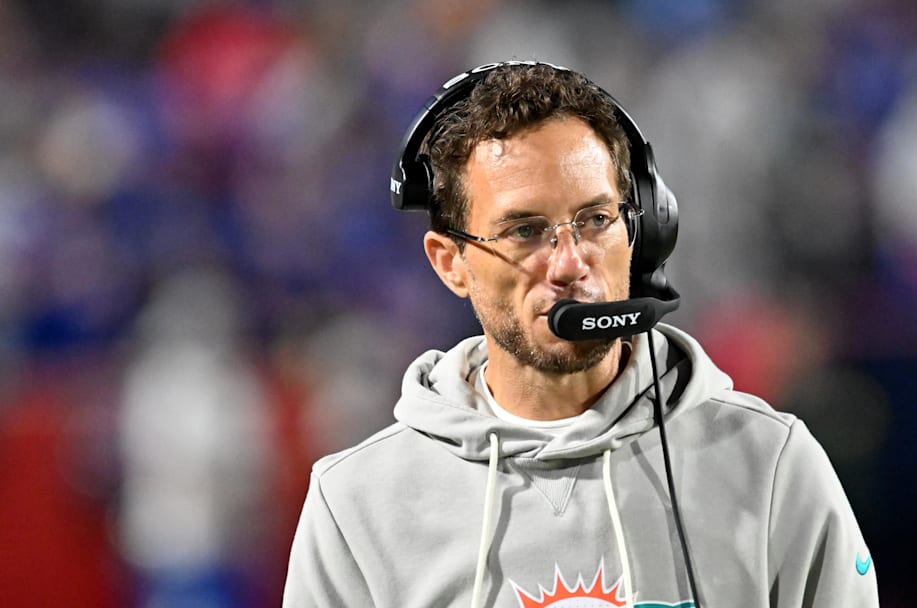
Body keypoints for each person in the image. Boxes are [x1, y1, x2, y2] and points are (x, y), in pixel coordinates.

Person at [283, 61, 878, 607]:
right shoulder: (357, 505)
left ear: (645, 230)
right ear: (450, 262)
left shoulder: (770, 465)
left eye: (595, 220)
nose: (569, 262)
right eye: (525, 230)